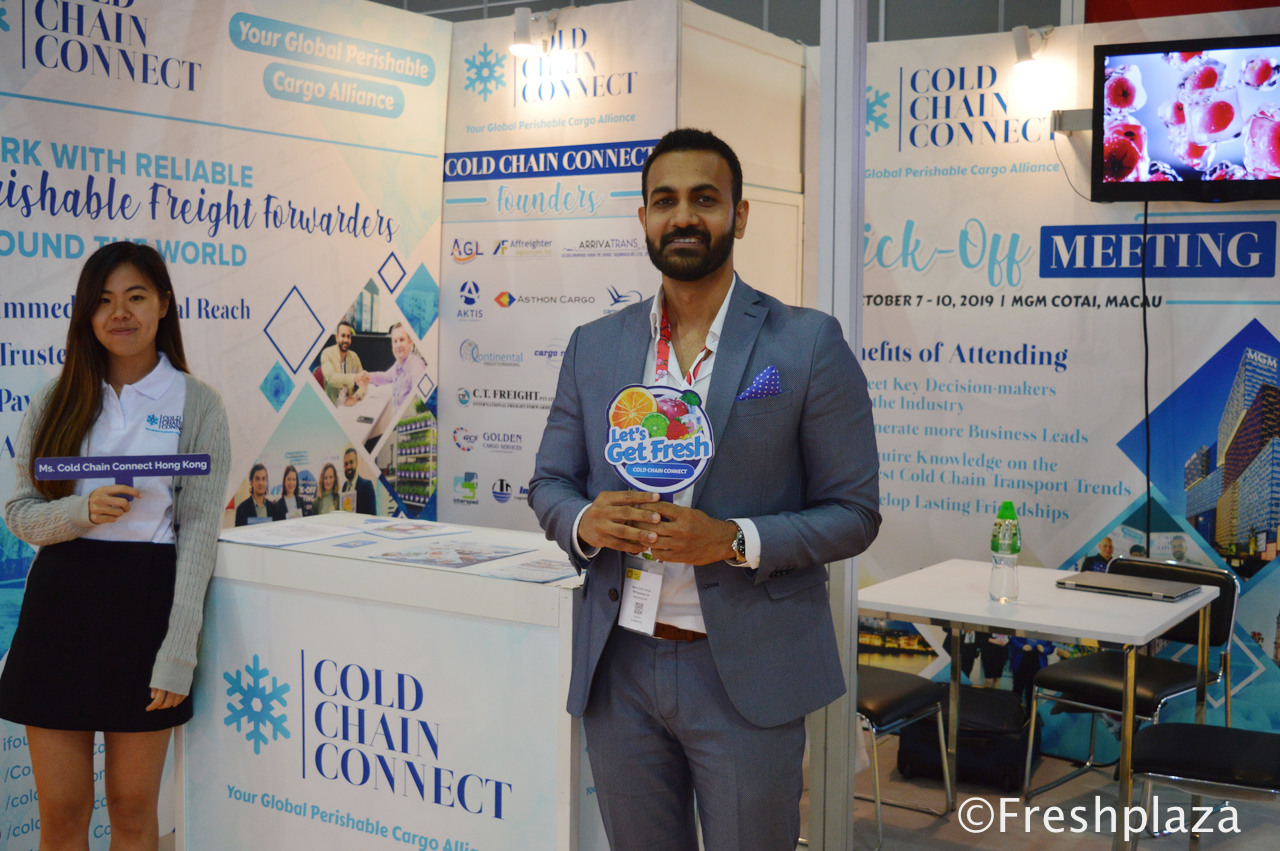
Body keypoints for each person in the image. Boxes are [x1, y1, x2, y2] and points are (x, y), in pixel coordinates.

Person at [529, 128, 880, 850]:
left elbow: (855, 512)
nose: (683, 216)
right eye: (665, 201)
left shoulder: (806, 343)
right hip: (619, 663)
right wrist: (586, 520)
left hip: (745, 671)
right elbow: (549, 483)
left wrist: (733, 540)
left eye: (704, 199)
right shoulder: (595, 345)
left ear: (739, 216)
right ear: (644, 219)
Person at [0, 241, 230, 849]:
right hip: (59, 611)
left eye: (136, 297)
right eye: (102, 301)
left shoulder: (198, 404)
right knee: (62, 816)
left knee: (132, 813)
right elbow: (20, 513)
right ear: (85, 312)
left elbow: (198, 535)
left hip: (147, 612)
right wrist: (79, 511)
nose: (119, 313)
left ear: (164, 305)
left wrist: (180, 649)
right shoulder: (56, 398)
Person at [356, 322, 427, 410]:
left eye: (402, 340)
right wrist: (368, 376)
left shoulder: (416, 366)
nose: (398, 345)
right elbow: (385, 377)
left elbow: (421, 404)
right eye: (395, 341)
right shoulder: (399, 364)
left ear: (410, 342)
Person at [319, 321, 365, 406]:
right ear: (337, 337)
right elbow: (331, 378)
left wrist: (356, 396)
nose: (346, 340)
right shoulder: (327, 354)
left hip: (349, 405)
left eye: (348, 336)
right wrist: (353, 378)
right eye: (343, 336)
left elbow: (364, 382)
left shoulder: (354, 357)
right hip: (332, 405)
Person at [341, 446, 375, 515]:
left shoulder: (367, 486)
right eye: (346, 464)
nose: (348, 466)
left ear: (356, 463)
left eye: (351, 462)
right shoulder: (344, 486)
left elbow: (372, 515)